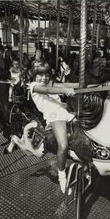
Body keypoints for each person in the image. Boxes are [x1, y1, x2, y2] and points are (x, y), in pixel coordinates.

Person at [29, 60, 79, 194]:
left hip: (65, 111)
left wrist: (82, 84)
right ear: (34, 75)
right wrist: (64, 90)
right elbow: (48, 90)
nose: (44, 77)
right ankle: (62, 177)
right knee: (63, 145)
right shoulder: (34, 85)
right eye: (40, 74)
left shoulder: (48, 82)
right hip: (54, 115)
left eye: (46, 74)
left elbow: (63, 84)